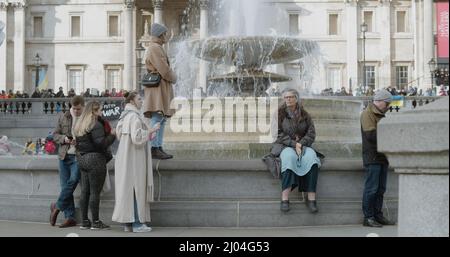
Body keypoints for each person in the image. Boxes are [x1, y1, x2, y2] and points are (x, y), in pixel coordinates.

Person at [112, 91, 161, 233]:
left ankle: (128, 223)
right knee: (136, 188)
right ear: (132, 101)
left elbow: (119, 134)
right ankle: (138, 224)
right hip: (134, 158)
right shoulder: (134, 117)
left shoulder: (124, 116)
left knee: (127, 189)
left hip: (125, 158)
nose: (142, 101)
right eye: (139, 99)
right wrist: (152, 130)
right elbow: (137, 138)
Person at [271, 89, 323, 213]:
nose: (288, 99)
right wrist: (294, 144)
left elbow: (311, 133)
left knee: (312, 158)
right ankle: (285, 198)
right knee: (288, 159)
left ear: (296, 98)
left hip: (303, 145)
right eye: (286, 97)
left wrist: (301, 144)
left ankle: (311, 198)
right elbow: (277, 134)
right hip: (284, 146)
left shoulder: (305, 114)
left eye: (291, 97)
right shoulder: (279, 114)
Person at [74, 101, 116, 230]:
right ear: (94, 111)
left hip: (83, 159)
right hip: (95, 160)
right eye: (100, 110)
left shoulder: (80, 124)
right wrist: (112, 135)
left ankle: (85, 222)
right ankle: (96, 222)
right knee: (94, 192)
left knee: (85, 192)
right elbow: (101, 144)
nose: (102, 112)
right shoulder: (95, 124)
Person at [360, 89, 396, 227]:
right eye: (387, 103)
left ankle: (377, 215)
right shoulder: (367, 114)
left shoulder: (381, 114)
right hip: (373, 156)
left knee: (381, 189)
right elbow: (371, 136)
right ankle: (368, 217)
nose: (388, 107)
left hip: (382, 156)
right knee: (371, 188)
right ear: (379, 101)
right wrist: (389, 136)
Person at [143, 23, 177, 160]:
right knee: (158, 117)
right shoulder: (155, 48)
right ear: (160, 34)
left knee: (161, 117)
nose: (166, 36)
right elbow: (164, 69)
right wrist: (174, 77)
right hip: (158, 88)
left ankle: (158, 146)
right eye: (164, 33)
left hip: (160, 87)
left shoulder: (156, 47)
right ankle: (153, 147)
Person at [49, 96, 85, 228]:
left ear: (83, 106)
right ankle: (70, 218)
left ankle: (57, 208)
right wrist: (64, 139)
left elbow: (90, 138)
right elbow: (55, 135)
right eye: (74, 108)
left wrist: (79, 142)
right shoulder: (63, 116)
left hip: (77, 156)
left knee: (74, 180)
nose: (76, 111)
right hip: (64, 156)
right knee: (66, 186)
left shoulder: (87, 118)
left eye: (78, 109)